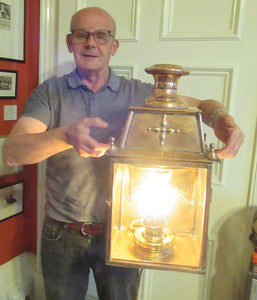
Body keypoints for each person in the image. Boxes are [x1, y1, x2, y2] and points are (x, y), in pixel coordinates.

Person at [2, 6, 244, 300]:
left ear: (113, 46)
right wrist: (65, 135)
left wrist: (221, 119)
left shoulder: (141, 94)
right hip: (61, 234)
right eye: (82, 35)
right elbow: (13, 152)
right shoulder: (49, 93)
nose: (91, 43)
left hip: (123, 234)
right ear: (70, 43)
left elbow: (202, 106)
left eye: (101, 36)